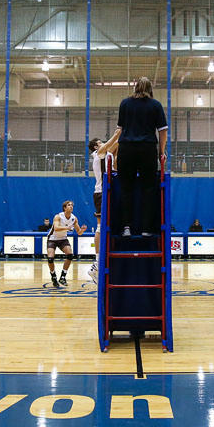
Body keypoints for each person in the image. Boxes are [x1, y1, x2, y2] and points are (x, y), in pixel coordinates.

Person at [114, 77, 168, 237]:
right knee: (148, 189)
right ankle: (146, 229)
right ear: (151, 88)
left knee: (126, 189)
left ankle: (126, 227)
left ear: (135, 88)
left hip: (126, 149)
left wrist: (116, 153)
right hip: (147, 149)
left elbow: (120, 130)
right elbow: (163, 131)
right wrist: (161, 152)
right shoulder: (155, 105)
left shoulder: (125, 103)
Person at [88, 130, 120, 280]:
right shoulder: (98, 154)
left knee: (112, 226)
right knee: (100, 227)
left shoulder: (108, 154)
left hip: (111, 191)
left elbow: (116, 145)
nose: (103, 143)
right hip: (101, 193)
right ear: (95, 147)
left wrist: (124, 134)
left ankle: (108, 258)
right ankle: (96, 262)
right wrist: (118, 132)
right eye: (100, 142)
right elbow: (111, 143)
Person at [45, 200, 87, 289]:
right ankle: (53, 276)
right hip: (52, 239)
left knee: (70, 255)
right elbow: (56, 228)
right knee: (50, 259)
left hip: (63, 239)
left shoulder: (74, 218)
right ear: (64, 208)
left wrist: (82, 230)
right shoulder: (58, 216)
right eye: (69, 205)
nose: (71, 206)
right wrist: (67, 228)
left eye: (72, 205)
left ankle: (63, 277)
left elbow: (79, 232)